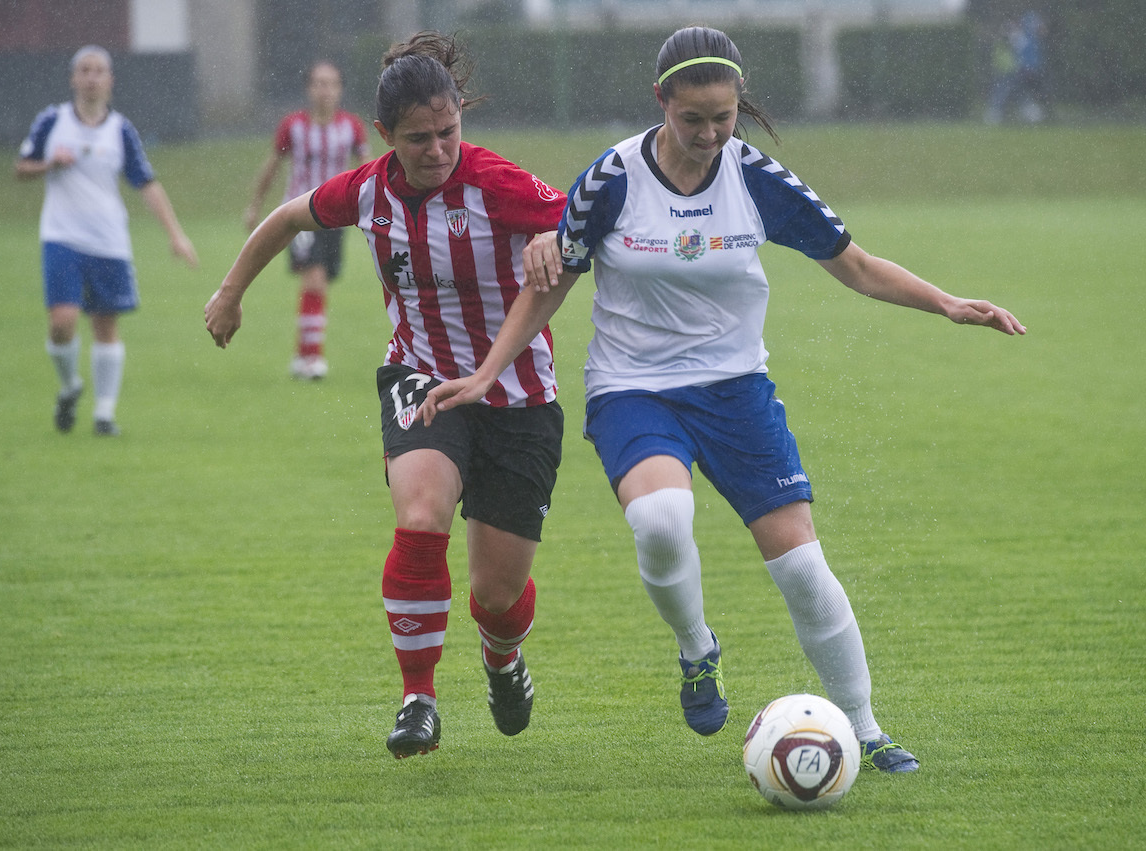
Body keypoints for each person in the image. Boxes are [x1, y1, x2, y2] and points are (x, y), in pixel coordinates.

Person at [422, 26, 1026, 773]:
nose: (709, 135)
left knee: (802, 569)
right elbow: (553, 281)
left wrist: (947, 303)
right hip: (634, 389)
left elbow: (858, 265)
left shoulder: (757, 179)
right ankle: (696, 648)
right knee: (661, 519)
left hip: (737, 391)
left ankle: (866, 729)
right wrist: (488, 372)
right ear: (660, 101)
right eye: (692, 119)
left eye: (723, 117)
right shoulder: (613, 178)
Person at [205, 32, 569, 759]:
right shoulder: (367, 191)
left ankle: (502, 658)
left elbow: (578, 223)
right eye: (417, 139)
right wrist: (230, 291)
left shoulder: (497, 182)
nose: (437, 150)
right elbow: (287, 217)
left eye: (447, 132)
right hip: (420, 377)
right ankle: (418, 699)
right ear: (383, 136)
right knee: (422, 512)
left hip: (518, 394)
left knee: (496, 595)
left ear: (460, 117)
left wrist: (551, 238)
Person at [16, 45, 198, 436]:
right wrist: (49, 164)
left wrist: (176, 234)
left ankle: (104, 414)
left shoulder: (121, 130)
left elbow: (146, 183)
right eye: (84, 70)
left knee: (105, 326)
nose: (91, 77)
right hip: (61, 237)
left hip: (108, 241)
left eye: (99, 71)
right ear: (73, 78)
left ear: (110, 80)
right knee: (62, 322)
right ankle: (70, 386)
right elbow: (22, 167)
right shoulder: (52, 121)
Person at [244, 60, 373, 379]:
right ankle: (312, 358)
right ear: (309, 89)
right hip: (299, 214)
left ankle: (303, 355)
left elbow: (368, 169)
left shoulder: (352, 127)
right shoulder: (293, 126)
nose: (324, 90)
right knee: (313, 276)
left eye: (331, 83)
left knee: (321, 282)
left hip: (336, 216)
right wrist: (255, 205)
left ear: (340, 89)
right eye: (318, 83)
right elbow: (273, 166)